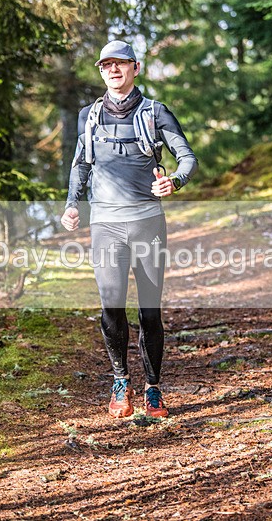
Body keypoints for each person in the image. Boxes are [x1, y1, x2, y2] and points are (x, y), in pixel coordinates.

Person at [60, 40, 198, 418]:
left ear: (135, 67)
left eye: (120, 63)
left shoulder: (156, 112)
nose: (113, 70)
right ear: (100, 71)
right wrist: (72, 204)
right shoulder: (88, 115)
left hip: (147, 224)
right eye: (106, 65)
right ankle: (121, 381)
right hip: (105, 225)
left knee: (150, 312)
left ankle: (153, 388)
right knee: (111, 308)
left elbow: (186, 157)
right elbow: (80, 164)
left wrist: (175, 181)